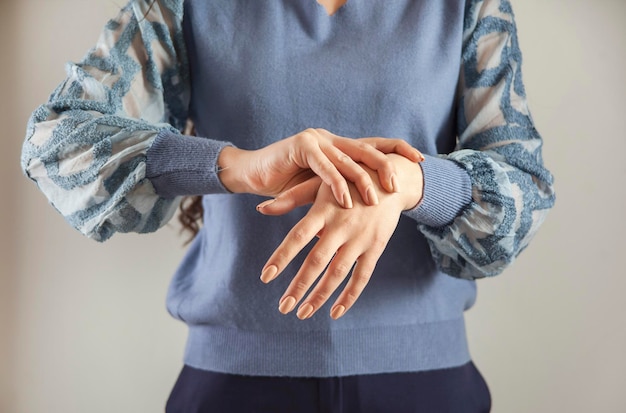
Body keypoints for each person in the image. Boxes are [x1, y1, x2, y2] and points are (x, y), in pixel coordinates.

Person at [21, 0, 555, 411]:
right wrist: (235, 166)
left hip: (425, 385)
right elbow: (55, 142)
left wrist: (410, 184)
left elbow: (524, 189)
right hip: (235, 386)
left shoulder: (467, 7)